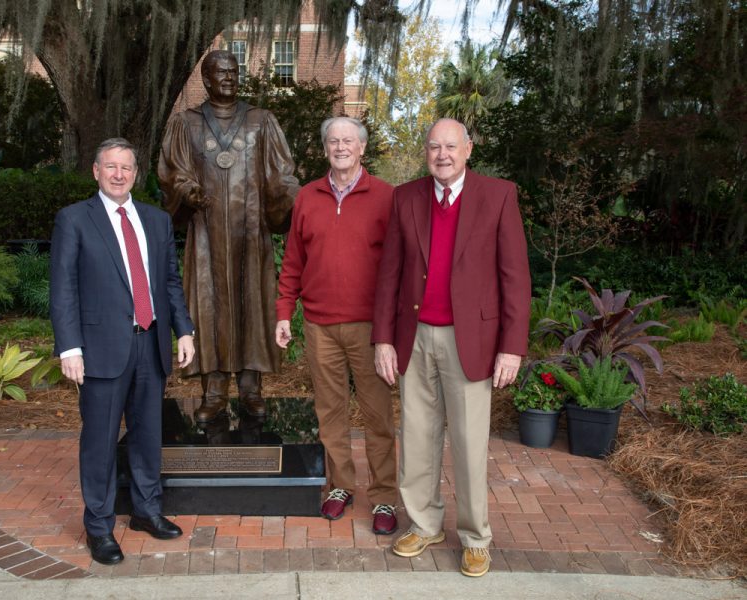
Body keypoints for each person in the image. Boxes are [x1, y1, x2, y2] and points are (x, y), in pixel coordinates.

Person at [372, 118, 531, 577]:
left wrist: (512, 348)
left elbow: (515, 279)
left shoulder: (498, 195)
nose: (442, 155)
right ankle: (424, 524)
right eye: (434, 147)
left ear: (468, 150)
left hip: (473, 340)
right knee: (418, 437)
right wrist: (383, 338)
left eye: (451, 147)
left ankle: (476, 537)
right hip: (415, 336)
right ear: (427, 152)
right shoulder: (406, 198)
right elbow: (390, 276)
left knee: (468, 443)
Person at [50, 138, 196, 566]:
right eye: (110, 166)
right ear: (96, 171)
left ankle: (147, 512)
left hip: (150, 344)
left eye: (126, 167)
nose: (118, 174)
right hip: (99, 350)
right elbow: (63, 290)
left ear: (136, 173)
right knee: (99, 442)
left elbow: (170, 281)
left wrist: (183, 331)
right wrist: (70, 348)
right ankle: (99, 527)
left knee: (149, 435)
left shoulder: (155, 220)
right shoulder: (75, 219)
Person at [158, 49, 300, 427]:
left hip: (251, 234)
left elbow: (280, 173)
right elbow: (173, 172)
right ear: (206, 79)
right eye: (221, 73)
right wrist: (187, 190)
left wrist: (291, 195)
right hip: (206, 236)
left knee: (253, 307)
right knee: (208, 309)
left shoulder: (260, 121)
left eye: (234, 73)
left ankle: (252, 389)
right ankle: (214, 392)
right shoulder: (186, 124)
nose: (230, 79)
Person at [275, 116, 398, 534]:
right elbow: (293, 261)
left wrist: (393, 327)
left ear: (362, 148)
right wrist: (282, 312)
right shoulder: (307, 197)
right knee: (330, 413)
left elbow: (398, 266)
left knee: (377, 415)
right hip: (319, 326)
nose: (340, 146)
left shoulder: (385, 197)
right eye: (333, 140)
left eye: (348, 140)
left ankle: (384, 497)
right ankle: (340, 486)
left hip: (370, 329)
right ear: (325, 147)